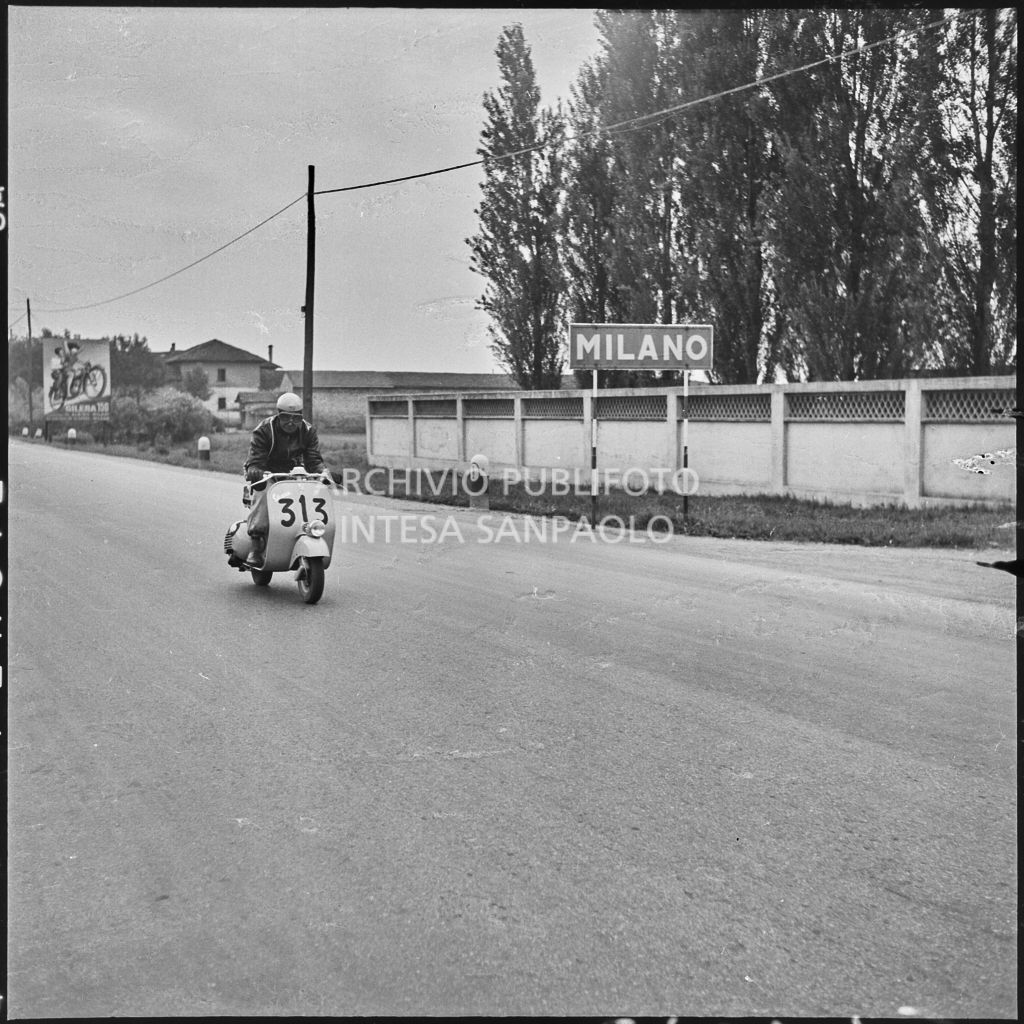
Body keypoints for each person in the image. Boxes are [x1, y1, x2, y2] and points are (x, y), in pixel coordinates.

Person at [242, 392, 326, 565]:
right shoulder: (264, 429)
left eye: (296, 418)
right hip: (266, 471)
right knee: (264, 492)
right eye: (286, 417)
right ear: (278, 415)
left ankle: (306, 531)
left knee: (311, 492)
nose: (291, 422)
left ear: (301, 417)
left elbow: (313, 459)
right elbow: (256, 458)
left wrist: (323, 472)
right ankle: (256, 543)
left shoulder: (308, 431)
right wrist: (255, 470)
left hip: (294, 471)